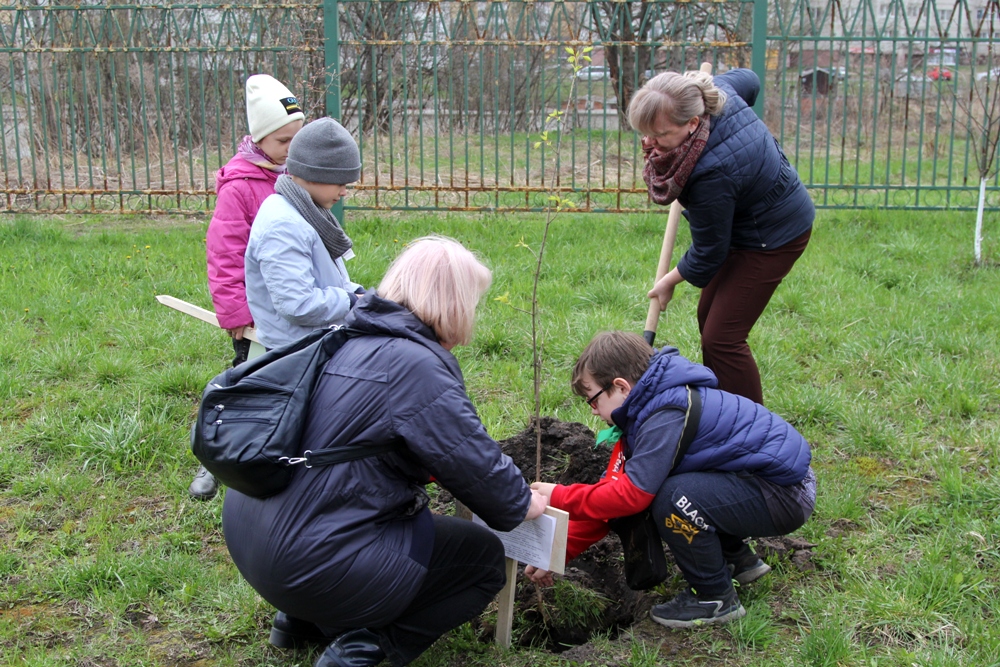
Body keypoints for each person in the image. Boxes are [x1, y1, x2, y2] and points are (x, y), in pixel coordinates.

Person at [222, 237, 548, 667]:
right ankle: (367, 651)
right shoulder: (415, 366)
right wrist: (525, 501)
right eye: (472, 301)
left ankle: (300, 622)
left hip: (253, 536)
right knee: (481, 559)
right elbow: (474, 465)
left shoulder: (344, 337)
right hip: (308, 560)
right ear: (453, 303)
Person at [527, 331, 815, 629]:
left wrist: (557, 495)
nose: (593, 409)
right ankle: (738, 560)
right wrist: (557, 551)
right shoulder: (646, 408)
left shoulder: (666, 413)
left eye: (593, 399)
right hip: (762, 483)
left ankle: (714, 598)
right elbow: (611, 495)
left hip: (784, 494)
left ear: (621, 387)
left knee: (670, 498)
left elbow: (630, 496)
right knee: (667, 487)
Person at [633, 69, 814, 406]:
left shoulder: (710, 173)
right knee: (709, 318)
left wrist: (669, 281)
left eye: (660, 135)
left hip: (772, 235)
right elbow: (750, 79)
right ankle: (725, 408)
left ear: (692, 122)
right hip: (743, 219)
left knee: (722, 338)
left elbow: (708, 253)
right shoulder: (718, 93)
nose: (649, 145)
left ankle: (752, 431)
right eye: (644, 134)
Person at [190, 74, 305, 501]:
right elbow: (224, 254)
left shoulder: (296, 177)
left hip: (293, 309)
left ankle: (280, 452)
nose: (292, 149)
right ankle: (213, 461)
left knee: (293, 383)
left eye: (298, 138)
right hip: (255, 316)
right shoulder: (239, 187)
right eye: (282, 141)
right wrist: (236, 312)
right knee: (246, 388)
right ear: (259, 140)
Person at [244, 116, 367, 351]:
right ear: (314, 174)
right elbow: (297, 303)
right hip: (294, 355)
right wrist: (351, 302)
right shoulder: (283, 225)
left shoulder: (307, 211)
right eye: (339, 182)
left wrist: (361, 294)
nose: (344, 192)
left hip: (314, 344)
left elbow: (326, 278)